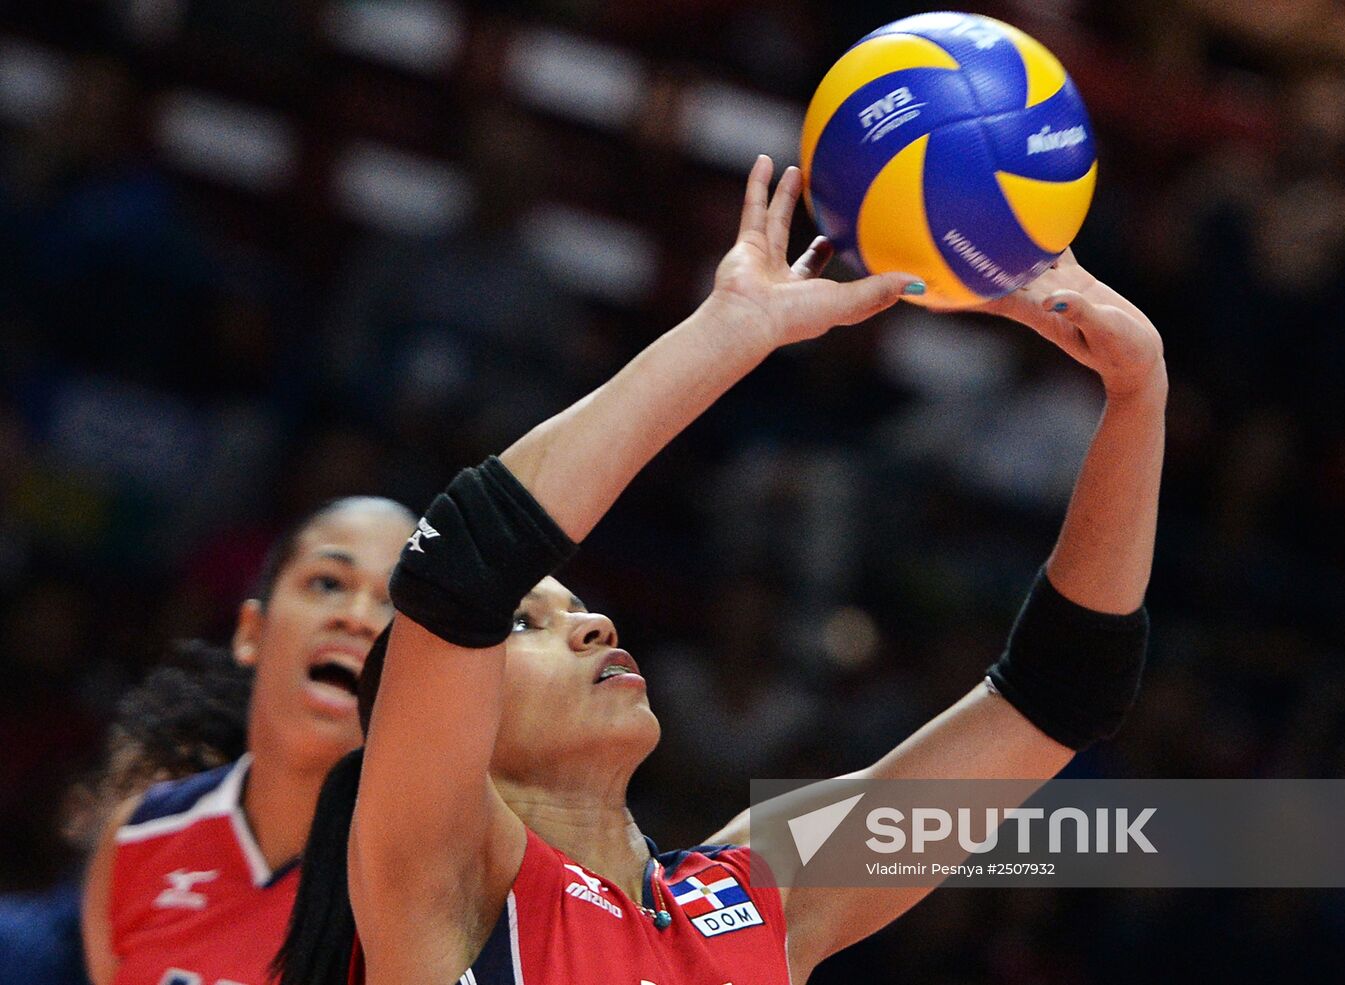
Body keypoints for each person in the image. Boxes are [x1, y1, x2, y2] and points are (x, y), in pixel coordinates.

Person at [278, 155, 1166, 985]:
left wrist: (1136, 395)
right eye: (527, 624)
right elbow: (463, 567)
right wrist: (729, 332)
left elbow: (1059, 693)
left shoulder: (755, 896)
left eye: (571, 605)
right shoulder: (440, 879)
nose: (593, 624)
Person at [81, 496, 416, 985]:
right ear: (250, 633)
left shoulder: (429, 879)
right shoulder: (138, 837)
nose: (358, 616)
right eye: (328, 583)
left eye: (393, 601)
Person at [0, 642, 253, 985]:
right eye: (148, 808)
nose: (159, 835)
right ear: (80, 811)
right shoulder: (12, 948)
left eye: (189, 810)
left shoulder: (265, 958)